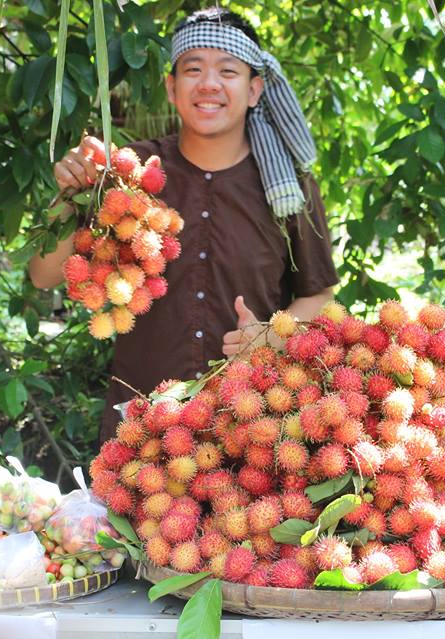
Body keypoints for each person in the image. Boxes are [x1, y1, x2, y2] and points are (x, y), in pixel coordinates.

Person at [29, 7, 339, 442]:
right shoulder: (128, 173)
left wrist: (271, 337)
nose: (209, 84)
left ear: (254, 89)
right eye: (193, 69)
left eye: (227, 71)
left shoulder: (288, 186)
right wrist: (68, 193)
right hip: (139, 427)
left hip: (250, 427)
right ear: (172, 88)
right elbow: (43, 276)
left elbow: (319, 294)